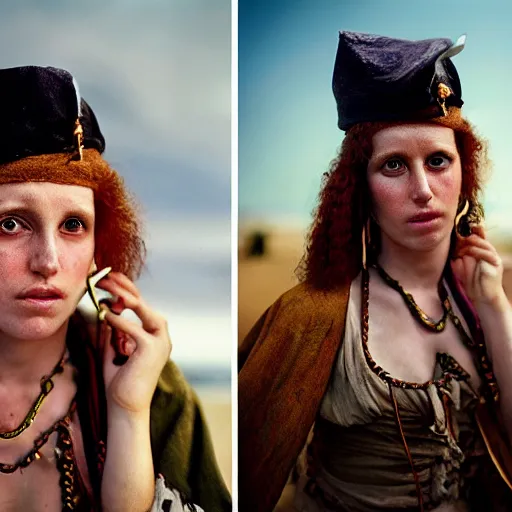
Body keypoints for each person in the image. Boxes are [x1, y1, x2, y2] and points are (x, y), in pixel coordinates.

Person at [239, 31, 512, 511]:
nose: (424, 189)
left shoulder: (485, 296)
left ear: (464, 172)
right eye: (394, 166)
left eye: (438, 161)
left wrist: (493, 308)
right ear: (359, 186)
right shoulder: (315, 316)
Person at [0, 66, 231, 512]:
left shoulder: (152, 387)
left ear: (98, 245)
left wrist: (128, 412)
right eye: (10, 223)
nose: (47, 261)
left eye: (73, 225)